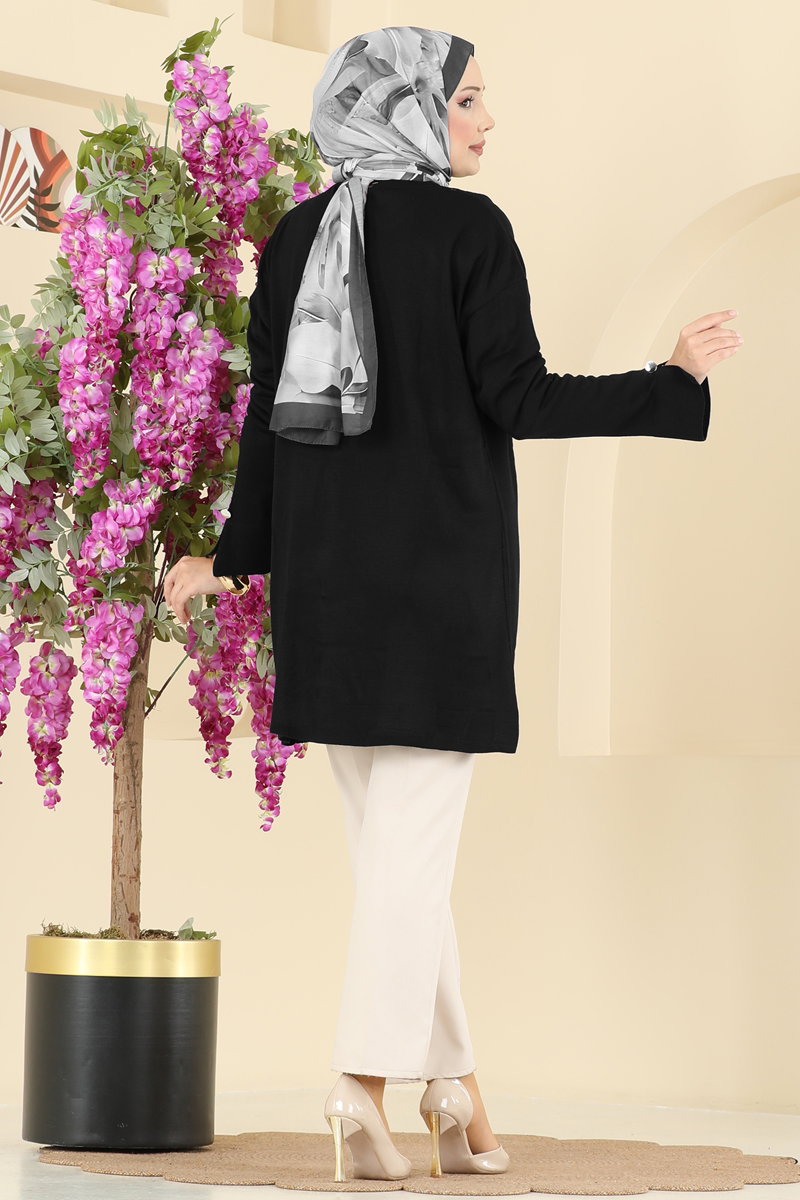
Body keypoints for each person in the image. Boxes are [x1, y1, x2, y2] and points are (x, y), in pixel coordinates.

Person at [163, 25, 741, 1183]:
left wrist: (234, 557)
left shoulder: (295, 238)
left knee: (396, 863)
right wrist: (669, 382)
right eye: (466, 98)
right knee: (407, 865)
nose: (485, 120)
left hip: (328, 597)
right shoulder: (469, 232)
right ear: (406, 107)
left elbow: (267, 422)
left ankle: (454, 1094)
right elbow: (519, 399)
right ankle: (359, 1085)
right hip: (438, 597)